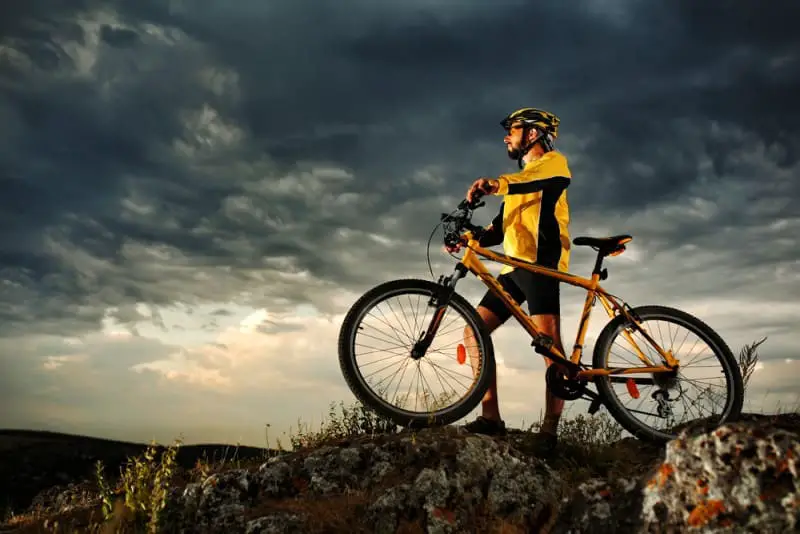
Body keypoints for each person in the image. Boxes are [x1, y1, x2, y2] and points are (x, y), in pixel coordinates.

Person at [449, 107, 572, 453]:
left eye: (513, 130)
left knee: (550, 349)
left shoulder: (553, 164)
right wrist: (469, 237)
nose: (506, 136)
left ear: (532, 134)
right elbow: (499, 229)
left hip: (540, 265)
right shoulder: (521, 180)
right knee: (474, 332)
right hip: (513, 268)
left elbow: (521, 182)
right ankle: (491, 418)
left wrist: (494, 183)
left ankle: (549, 431)